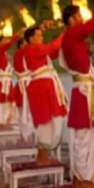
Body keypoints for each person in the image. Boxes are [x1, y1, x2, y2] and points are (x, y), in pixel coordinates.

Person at [60, 0, 94, 188]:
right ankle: (83, 179)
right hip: (84, 94)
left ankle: (79, 177)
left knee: (81, 137)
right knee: (85, 137)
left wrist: (86, 52)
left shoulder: (70, 37)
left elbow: (79, 61)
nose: (81, 19)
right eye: (78, 16)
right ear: (71, 19)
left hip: (81, 92)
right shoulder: (73, 33)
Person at [23, 22, 66, 164]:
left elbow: (53, 51)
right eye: (39, 36)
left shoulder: (38, 51)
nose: (41, 38)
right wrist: (66, 32)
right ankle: (41, 157)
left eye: (42, 35)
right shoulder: (31, 49)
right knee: (44, 122)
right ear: (31, 39)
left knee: (52, 121)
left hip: (46, 86)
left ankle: (44, 154)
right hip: (40, 88)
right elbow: (51, 47)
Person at [0, 32, 23, 124]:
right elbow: (9, 44)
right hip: (3, 80)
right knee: (4, 100)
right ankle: (3, 119)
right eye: (3, 40)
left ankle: (8, 118)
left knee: (10, 99)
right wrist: (17, 35)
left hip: (7, 80)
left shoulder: (3, 52)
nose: (5, 41)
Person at [11, 38, 33, 142]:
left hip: (23, 83)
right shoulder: (22, 53)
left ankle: (24, 135)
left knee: (22, 113)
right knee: (27, 112)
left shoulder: (17, 54)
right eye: (25, 43)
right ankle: (27, 135)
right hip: (25, 84)